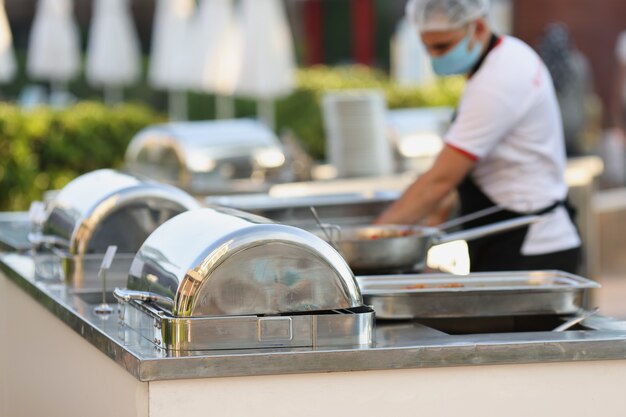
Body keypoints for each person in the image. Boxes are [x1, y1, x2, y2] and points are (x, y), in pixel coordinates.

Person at [375, 0, 581, 273]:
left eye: (443, 47)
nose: (434, 58)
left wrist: (374, 241)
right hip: (517, 237)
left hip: (530, 247)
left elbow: (440, 181)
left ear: (479, 27)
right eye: (427, 48)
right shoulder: (509, 54)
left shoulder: (497, 81)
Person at [538, 23, 597, 157]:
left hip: (552, 125)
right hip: (576, 124)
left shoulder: (543, 65)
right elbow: (587, 94)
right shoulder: (580, 62)